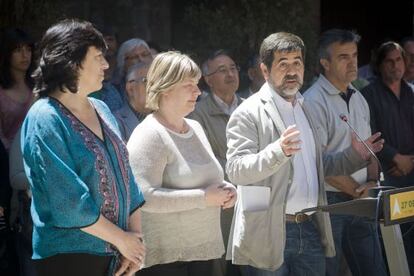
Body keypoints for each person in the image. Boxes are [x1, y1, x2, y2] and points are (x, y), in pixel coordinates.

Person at [225, 32, 384, 276]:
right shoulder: (248, 112)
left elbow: (319, 167)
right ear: (265, 71)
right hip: (270, 230)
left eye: (297, 62)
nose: (292, 71)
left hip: (310, 226)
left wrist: (354, 155)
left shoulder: (304, 108)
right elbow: (236, 170)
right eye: (283, 64)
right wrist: (278, 151)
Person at [21, 19, 145, 276]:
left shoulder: (101, 108)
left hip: (118, 254)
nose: (106, 65)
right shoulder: (45, 117)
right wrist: (122, 240)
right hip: (69, 257)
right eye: (98, 56)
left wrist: (135, 242)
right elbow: (67, 202)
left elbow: (126, 177)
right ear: (72, 61)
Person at [127, 51, 237, 276]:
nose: (198, 91)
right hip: (169, 262)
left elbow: (208, 179)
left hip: (205, 255)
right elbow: (142, 197)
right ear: (165, 88)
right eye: (189, 85)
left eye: (197, 84)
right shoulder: (150, 133)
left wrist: (227, 189)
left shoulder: (195, 127)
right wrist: (204, 198)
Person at [304, 29, 386, 276]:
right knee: (331, 271)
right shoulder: (312, 101)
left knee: (374, 270)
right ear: (325, 63)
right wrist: (356, 192)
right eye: (343, 57)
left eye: (354, 55)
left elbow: (369, 150)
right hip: (332, 203)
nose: (352, 62)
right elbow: (316, 162)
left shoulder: (359, 97)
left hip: (362, 197)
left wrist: (371, 182)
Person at [189, 49, 243, 276]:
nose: (230, 74)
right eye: (222, 70)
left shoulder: (251, 107)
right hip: (220, 205)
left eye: (233, 68)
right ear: (208, 80)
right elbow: (204, 161)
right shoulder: (197, 113)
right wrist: (247, 169)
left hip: (251, 201)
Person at [362, 41, 414, 275]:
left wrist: (410, 159)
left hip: (412, 173)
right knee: (393, 239)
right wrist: (395, 157)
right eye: (390, 61)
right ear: (380, 65)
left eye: (399, 59)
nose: (396, 65)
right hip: (388, 177)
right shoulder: (368, 95)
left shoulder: (411, 92)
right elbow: (368, 135)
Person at [0, 28, 35, 151]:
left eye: (28, 49)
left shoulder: (38, 86)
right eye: (18, 50)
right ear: (7, 53)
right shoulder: (2, 93)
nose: (25, 55)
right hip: (9, 158)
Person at [114, 62, 151, 141]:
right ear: (130, 89)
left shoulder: (167, 116)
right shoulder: (114, 122)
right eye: (146, 81)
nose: (154, 86)